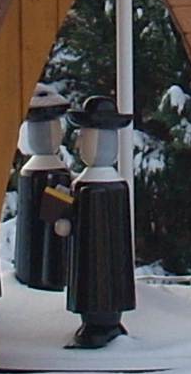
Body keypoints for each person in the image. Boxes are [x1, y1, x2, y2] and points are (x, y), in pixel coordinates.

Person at [63, 91, 138, 348]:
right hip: (85, 260)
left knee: (106, 285)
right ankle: (92, 321)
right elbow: (59, 216)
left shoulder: (113, 186)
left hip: (111, 263)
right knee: (87, 285)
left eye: (88, 137)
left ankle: (108, 323)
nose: (79, 145)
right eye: (82, 137)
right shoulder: (82, 183)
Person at [10, 83, 75, 292]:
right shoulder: (43, 173)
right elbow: (51, 221)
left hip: (48, 269)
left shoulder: (44, 172)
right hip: (42, 271)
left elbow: (54, 222)